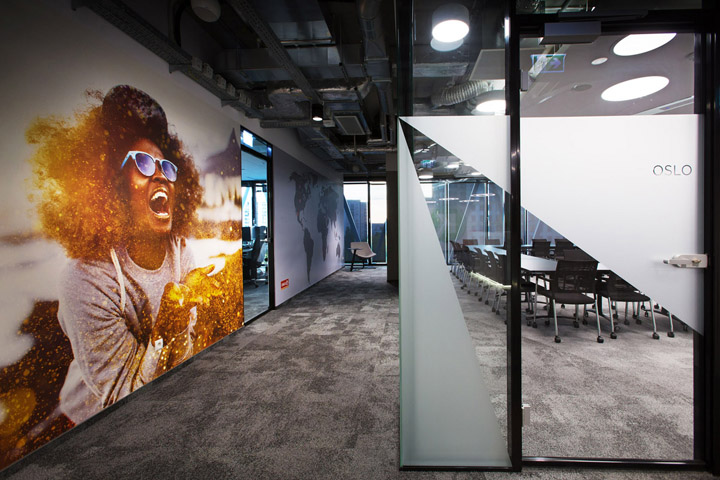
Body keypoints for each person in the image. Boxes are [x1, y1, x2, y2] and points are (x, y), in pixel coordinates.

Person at [27, 85, 220, 424]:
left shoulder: (181, 252)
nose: (160, 174)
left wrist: (182, 325)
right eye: (143, 163)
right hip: (89, 426)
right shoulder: (84, 279)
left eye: (167, 167)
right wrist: (169, 322)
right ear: (112, 184)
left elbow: (178, 363)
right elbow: (127, 400)